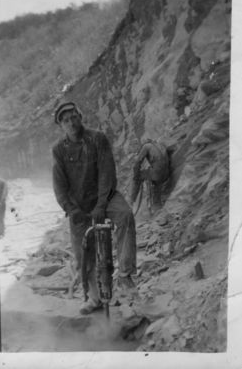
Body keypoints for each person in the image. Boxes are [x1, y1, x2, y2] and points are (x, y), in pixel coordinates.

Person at [52, 97, 137, 315]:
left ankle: (126, 274)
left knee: (125, 215)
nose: (71, 123)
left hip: (105, 197)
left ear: (80, 118)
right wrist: (72, 210)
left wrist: (101, 205)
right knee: (83, 256)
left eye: (73, 118)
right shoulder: (59, 150)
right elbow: (59, 187)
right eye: (66, 121)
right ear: (61, 126)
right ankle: (94, 298)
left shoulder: (97, 139)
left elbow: (107, 174)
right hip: (79, 206)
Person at [130, 139, 170, 212]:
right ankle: (156, 204)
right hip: (167, 174)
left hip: (158, 175)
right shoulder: (159, 144)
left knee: (137, 177)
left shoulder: (146, 147)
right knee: (151, 173)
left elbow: (137, 164)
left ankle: (131, 201)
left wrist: (136, 176)